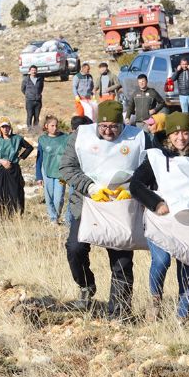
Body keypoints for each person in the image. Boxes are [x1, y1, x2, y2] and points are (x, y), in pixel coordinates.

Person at [59, 100, 148, 319]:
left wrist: (133, 188)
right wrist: (89, 187)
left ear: (122, 124)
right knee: (75, 248)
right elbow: (66, 167)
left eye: (113, 127)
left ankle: (119, 313)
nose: (108, 131)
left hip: (121, 206)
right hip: (88, 203)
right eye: (103, 126)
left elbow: (150, 167)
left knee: (121, 260)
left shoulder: (138, 138)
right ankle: (86, 284)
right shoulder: (81, 137)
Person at [130, 112, 189, 324]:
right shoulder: (155, 157)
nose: (181, 138)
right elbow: (136, 185)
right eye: (176, 133)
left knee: (187, 267)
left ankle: (182, 319)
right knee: (161, 260)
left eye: (185, 133)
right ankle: (155, 300)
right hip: (161, 219)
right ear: (168, 135)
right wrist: (156, 203)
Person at [0, 116, 33, 219]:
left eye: (7, 127)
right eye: (3, 127)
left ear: (10, 128)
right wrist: (0, 161)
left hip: (13, 169)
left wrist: (21, 157)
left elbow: (29, 147)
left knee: (15, 192)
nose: (5, 129)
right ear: (0, 128)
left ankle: (14, 215)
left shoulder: (17, 139)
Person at [35, 115, 69, 224]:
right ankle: (53, 219)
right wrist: (39, 176)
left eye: (56, 125)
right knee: (49, 197)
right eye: (52, 125)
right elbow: (39, 159)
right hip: (47, 171)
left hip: (61, 173)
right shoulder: (42, 139)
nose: (55, 128)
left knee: (58, 198)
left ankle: (57, 214)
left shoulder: (65, 138)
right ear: (46, 126)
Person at [64, 115, 93, 227]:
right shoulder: (74, 140)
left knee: (74, 198)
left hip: (78, 176)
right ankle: (71, 221)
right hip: (76, 176)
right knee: (74, 198)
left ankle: (72, 221)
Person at [171, 57, 189, 127]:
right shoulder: (178, 71)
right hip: (182, 95)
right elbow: (172, 79)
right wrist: (177, 71)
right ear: (180, 64)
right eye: (183, 64)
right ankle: (186, 124)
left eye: (186, 64)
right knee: (185, 111)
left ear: (188, 64)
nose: (184, 66)